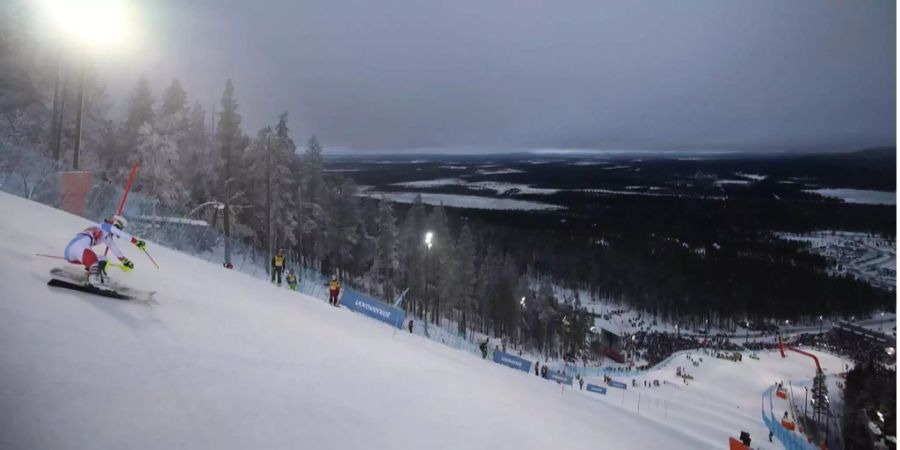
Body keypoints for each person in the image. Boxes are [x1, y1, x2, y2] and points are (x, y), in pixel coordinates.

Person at [64, 215, 146, 286]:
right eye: (120, 228)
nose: (118, 232)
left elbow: (114, 248)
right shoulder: (106, 226)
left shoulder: (104, 233)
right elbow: (123, 235)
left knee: (103, 260)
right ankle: (94, 278)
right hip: (78, 246)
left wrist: (125, 261)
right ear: (117, 225)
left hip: (73, 254)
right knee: (94, 260)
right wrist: (137, 242)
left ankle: (95, 275)